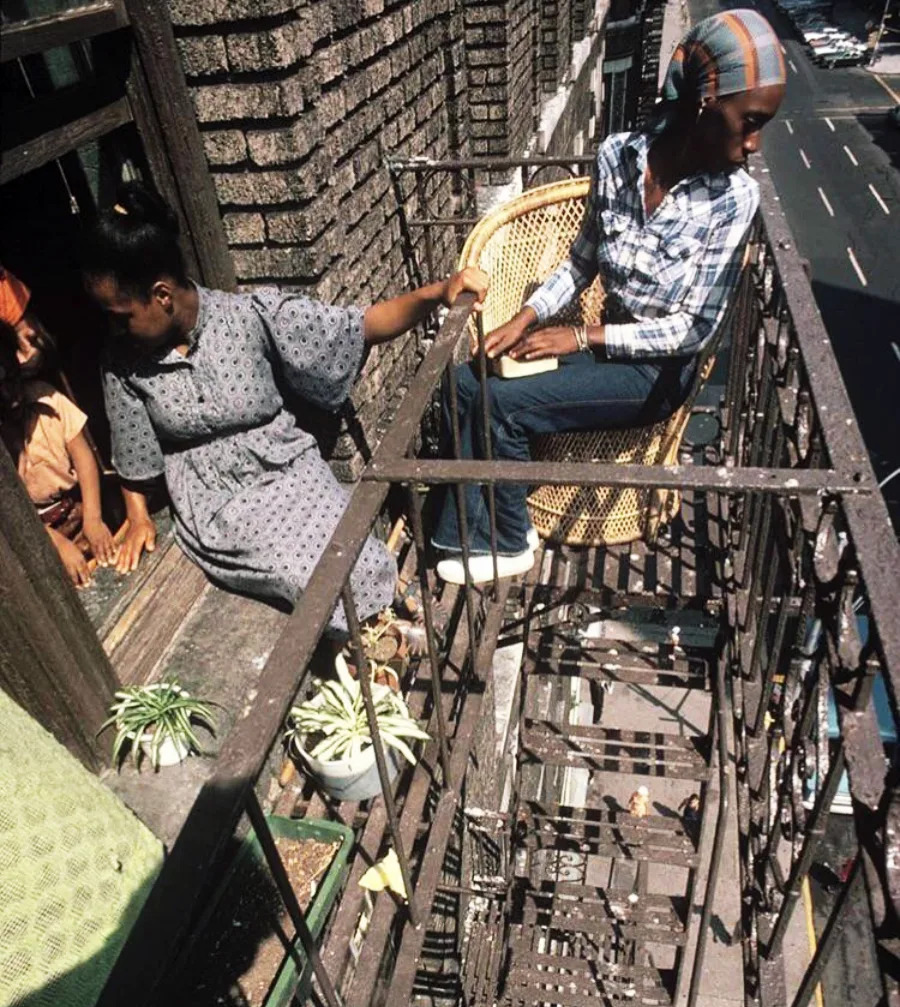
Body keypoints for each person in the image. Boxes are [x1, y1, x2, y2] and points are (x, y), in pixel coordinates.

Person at [433, 8, 786, 585]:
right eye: (749, 122)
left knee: (501, 406)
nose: (754, 143)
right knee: (465, 382)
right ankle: (487, 522)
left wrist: (579, 335)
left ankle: (506, 540)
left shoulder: (734, 199)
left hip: (657, 373)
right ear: (704, 103)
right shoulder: (618, 156)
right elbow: (583, 259)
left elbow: (694, 328)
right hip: (607, 345)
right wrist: (526, 316)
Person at [82, 183, 488, 632]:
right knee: (299, 573)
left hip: (287, 465)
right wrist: (138, 515)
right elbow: (134, 449)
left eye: (121, 315)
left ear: (161, 296)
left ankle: (388, 606)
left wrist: (438, 292)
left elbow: (359, 326)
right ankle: (371, 635)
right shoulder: (122, 362)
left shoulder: (248, 316)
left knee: (347, 541)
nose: (114, 328)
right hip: (217, 499)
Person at [0, 322, 117, 586]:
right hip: (35, 538)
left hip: (78, 511)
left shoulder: (45, 397)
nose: (10, 396)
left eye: (12, 379)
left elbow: (83, 457)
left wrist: (93, 519)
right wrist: (56, 544)